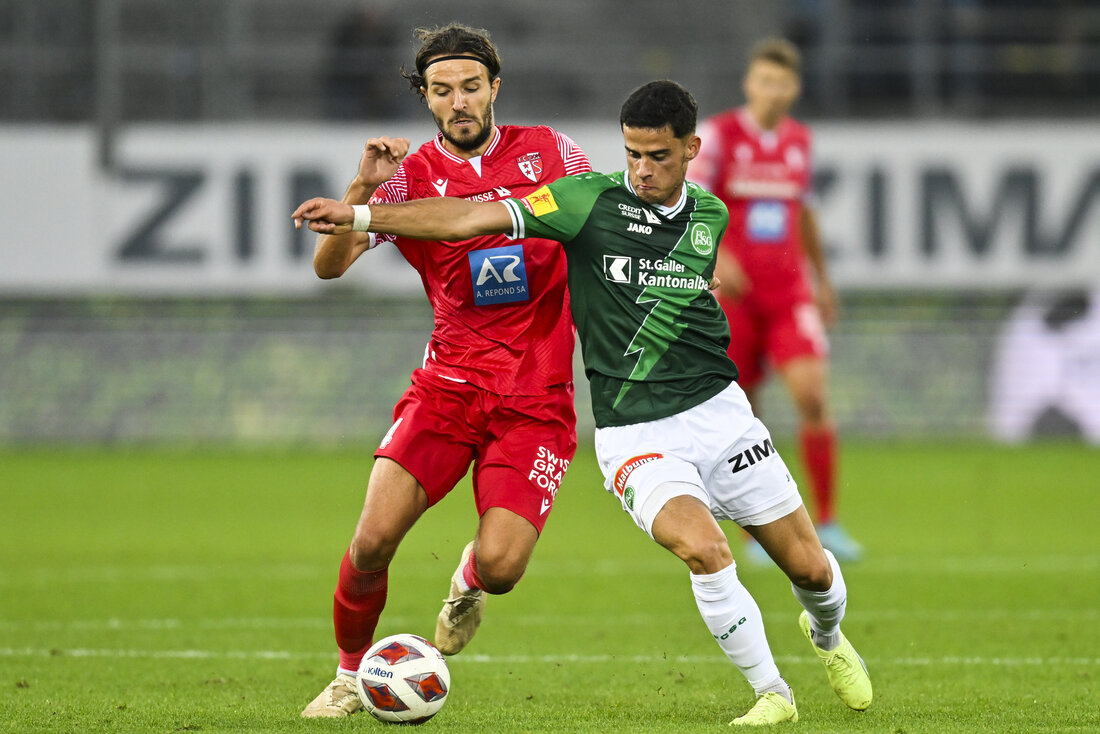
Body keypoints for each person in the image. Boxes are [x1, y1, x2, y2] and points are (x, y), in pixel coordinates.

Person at [294, 79, 873, 727]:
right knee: (707, 551)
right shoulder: (583, 201)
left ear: (691, 150)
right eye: (632, 154)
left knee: (813, 572)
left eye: (657, 156)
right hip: (636, 432)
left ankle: (826, 637)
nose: (642, 170)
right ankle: (774, 696)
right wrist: (364, 214)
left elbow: (687, 285)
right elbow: (466, 216)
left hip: (722, 415)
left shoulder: (710, 216)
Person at [298, 23, 592, 718]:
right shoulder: (407, 178)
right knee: (371, 540)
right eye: (440, 90)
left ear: (495, 86)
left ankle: (468, 578)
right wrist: (363, 187)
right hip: (446, 391)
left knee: (503, 567)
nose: (457, 101)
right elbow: (328, 266)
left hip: (535, 400)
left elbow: (600, 226)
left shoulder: (552, 153)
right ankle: (347, 677)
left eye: (469, 86)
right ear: (425, 99)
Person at [688, 38, 863, 562]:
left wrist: (822, 280)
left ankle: (827, 522)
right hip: (736, 298)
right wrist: (716, 256)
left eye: (782, 82)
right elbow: (694, 202)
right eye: (764, 80)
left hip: (789, 294)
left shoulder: (799, 142)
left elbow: (804, 213)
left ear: (794, 88)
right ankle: (754, 531)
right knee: (745, 414)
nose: (773, 90)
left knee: (812, 397)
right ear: (750, 83)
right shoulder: (720, 136)